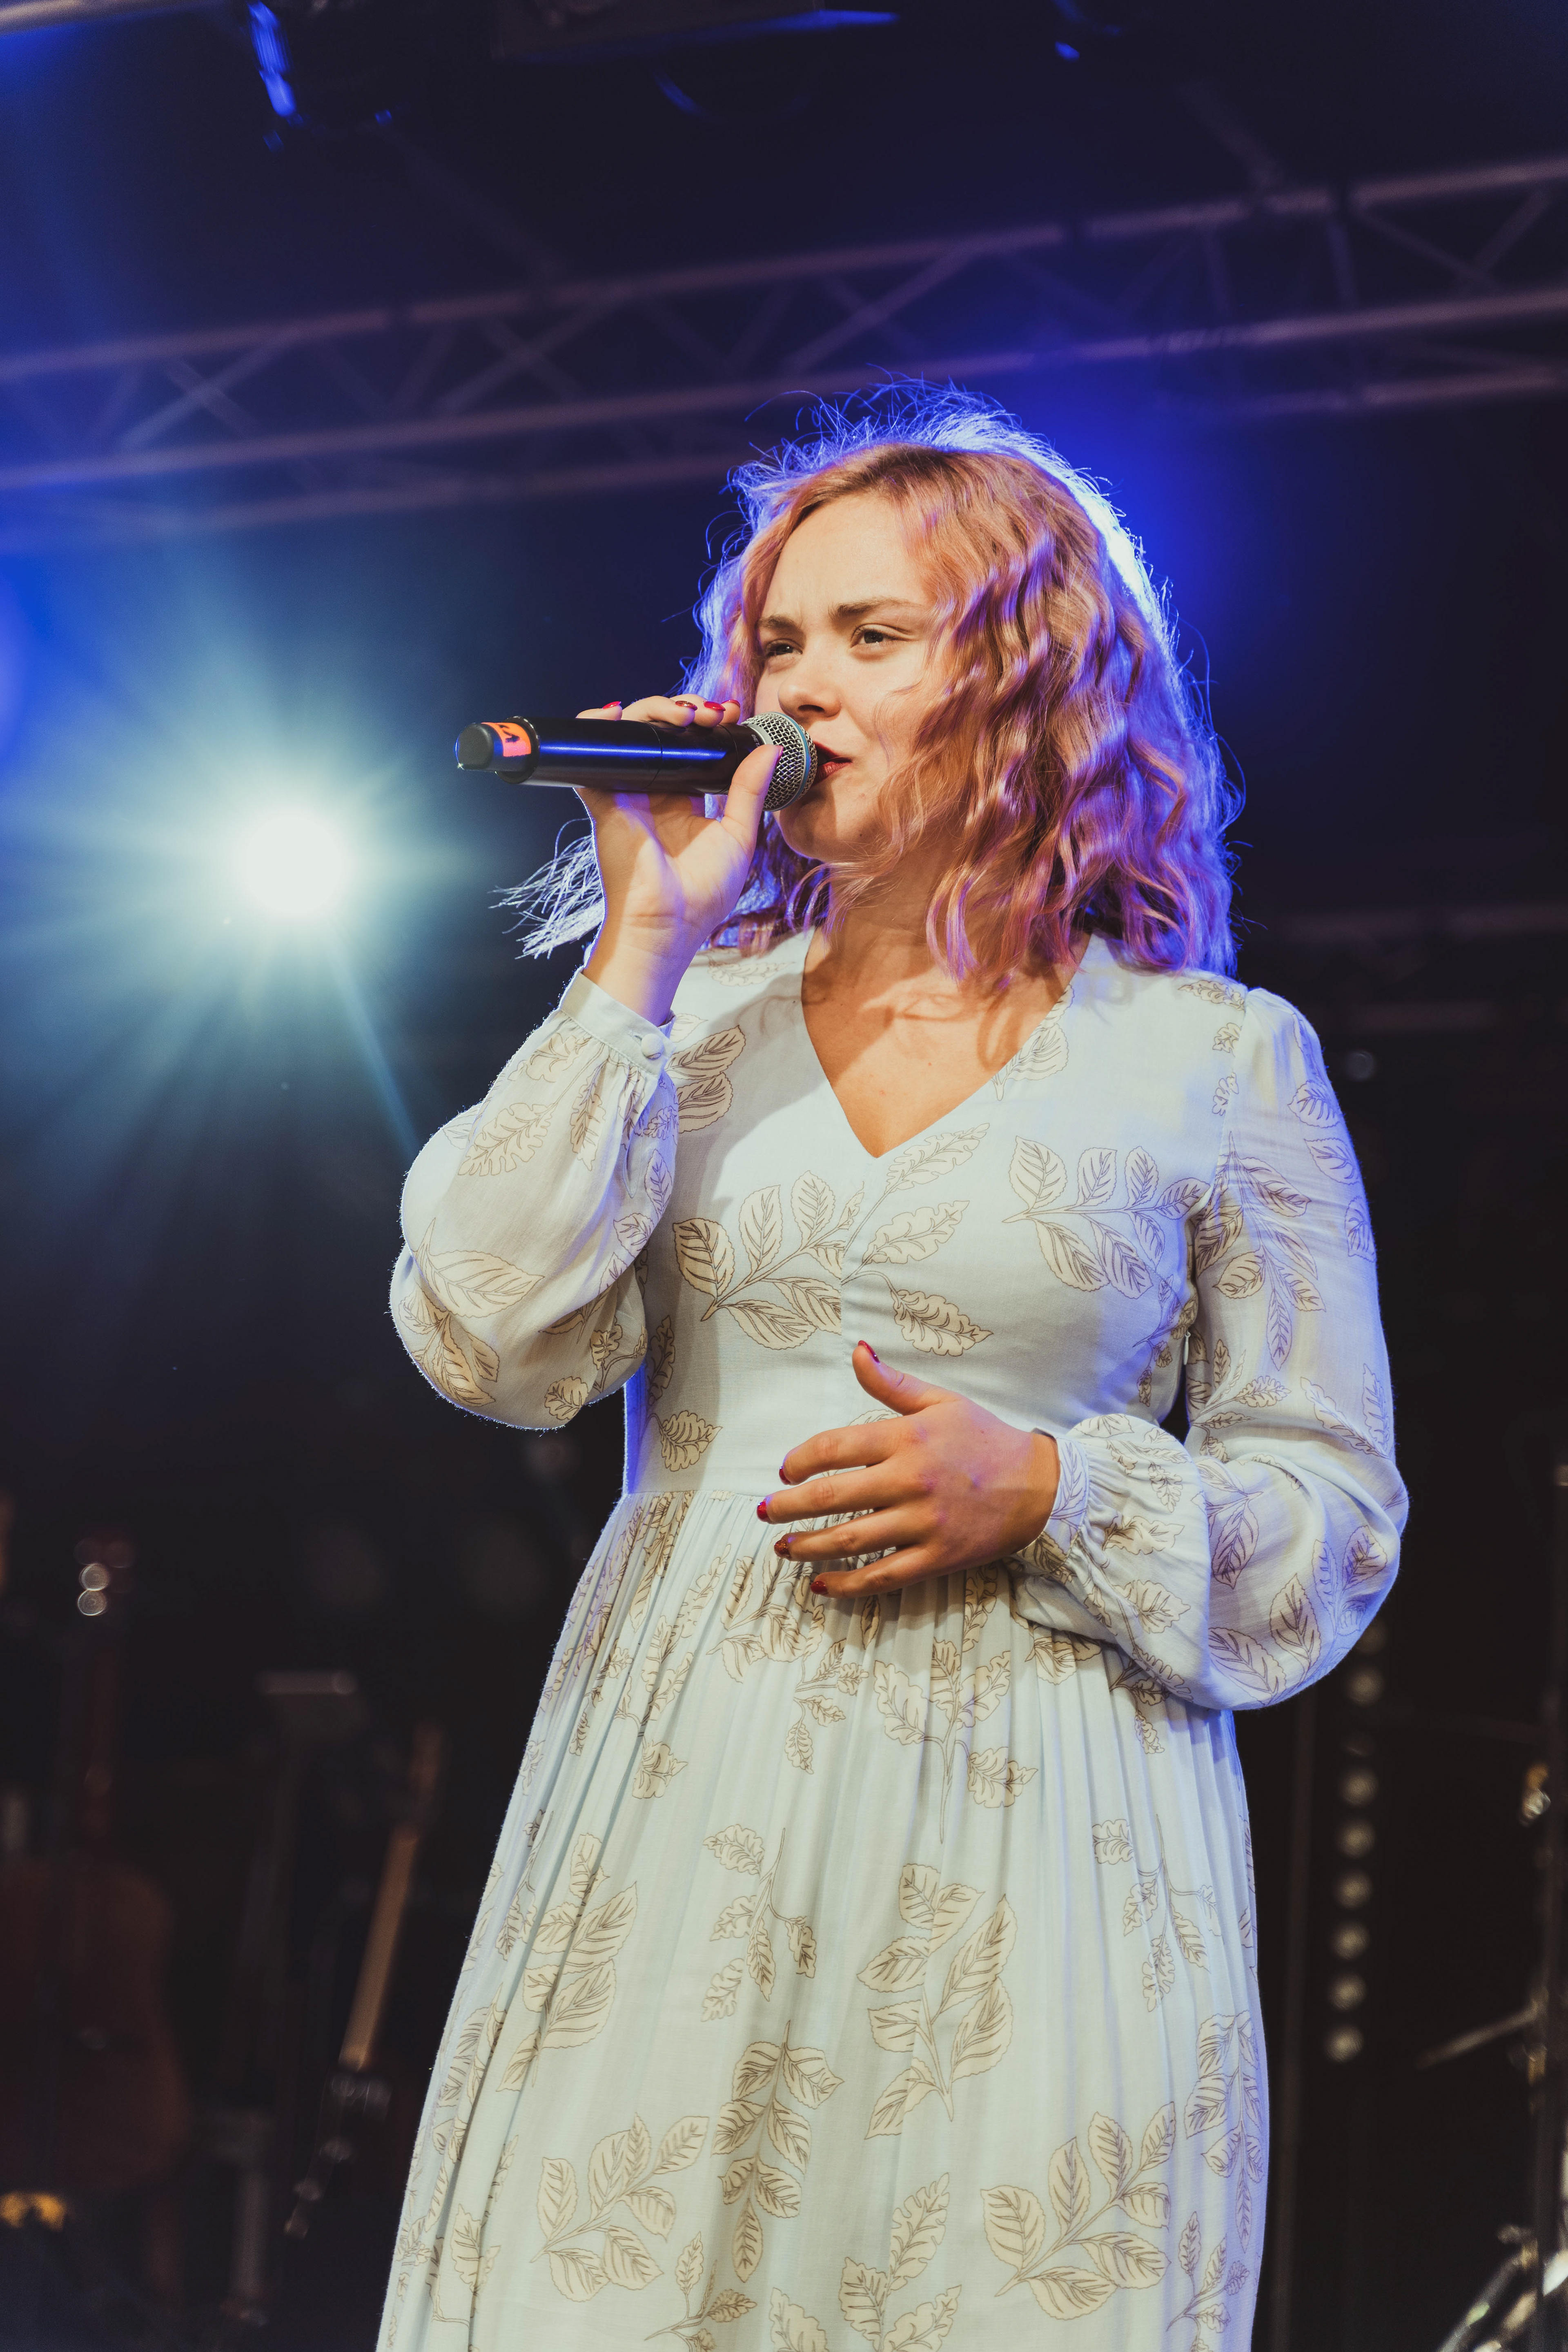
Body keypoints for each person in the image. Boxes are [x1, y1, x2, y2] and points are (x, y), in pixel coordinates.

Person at [379, 392, 1405, 2350]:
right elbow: (483, 1332)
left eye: (874, 637)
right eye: (780, 642)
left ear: (1029, 681)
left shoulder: (1214, 1059)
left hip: (1043, 1804)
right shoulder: (686, 1026)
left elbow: (1331, 1519)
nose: (803, 688)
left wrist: (1056, 1490)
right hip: (691, 1790)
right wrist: (636, 954)